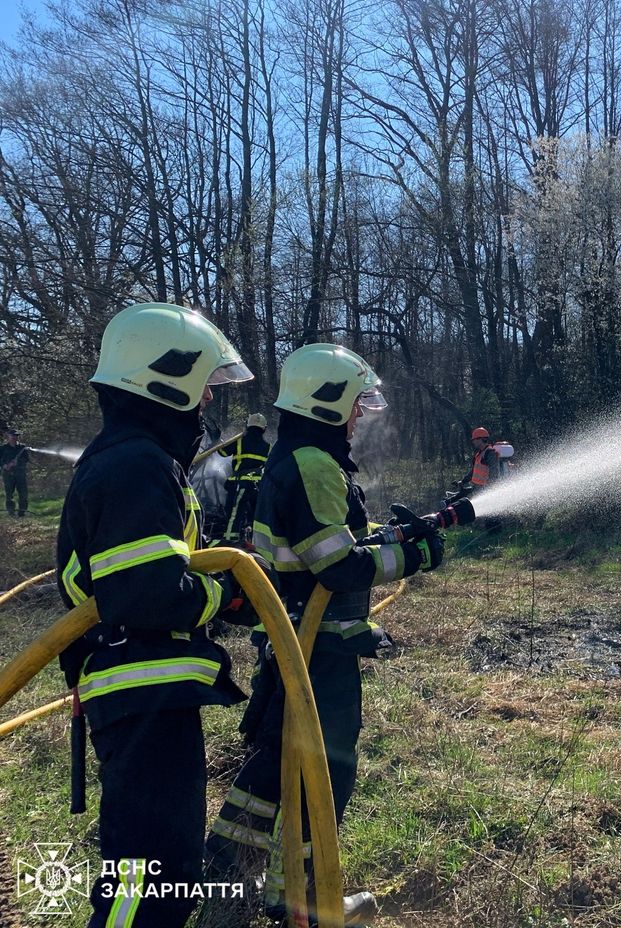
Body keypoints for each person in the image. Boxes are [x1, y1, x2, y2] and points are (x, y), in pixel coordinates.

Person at [205, 343, 443, 926]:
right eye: (354, 405)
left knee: (275, 765)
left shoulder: (299, 457)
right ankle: (305, 902)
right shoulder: (313, 463)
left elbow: (328, 539)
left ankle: (230, 882)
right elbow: (334, 566)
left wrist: (395, 534)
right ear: (329, 401)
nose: (360, 416)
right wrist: (413, 558)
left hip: (300, 646)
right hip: (314, 653)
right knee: (323, 773)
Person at [55, 303, 254, 928]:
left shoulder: (136, 458)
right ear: (166, 381)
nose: (205, 410)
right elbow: (148, 594)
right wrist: (228, 589)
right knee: (148, 877)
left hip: (148, 690)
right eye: (201, 393)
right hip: (139, 687)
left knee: (162, 873)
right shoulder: (136, 465)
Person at [217, 413, 271, 544]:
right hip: (259, 486)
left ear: (247, 426)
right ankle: (254, 542)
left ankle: (230, 540)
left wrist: (224, 442)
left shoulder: (239, 441)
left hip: (241, 484)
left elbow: (222, 452)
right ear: (264, 428)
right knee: (256, 516)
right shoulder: (268, 446)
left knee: (235, 513)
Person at [1, 428, 30, 516]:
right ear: (8, 437)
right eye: (13, 435)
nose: (14, 437)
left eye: (16, 436)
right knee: (9, 494)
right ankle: (11, 512)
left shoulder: (22, 448)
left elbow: (26, 459)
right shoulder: (2, 448)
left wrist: (18, 462)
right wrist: (4, 465)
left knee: (23, 494)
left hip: (20, 474)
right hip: (8, 474)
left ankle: (22, 512)